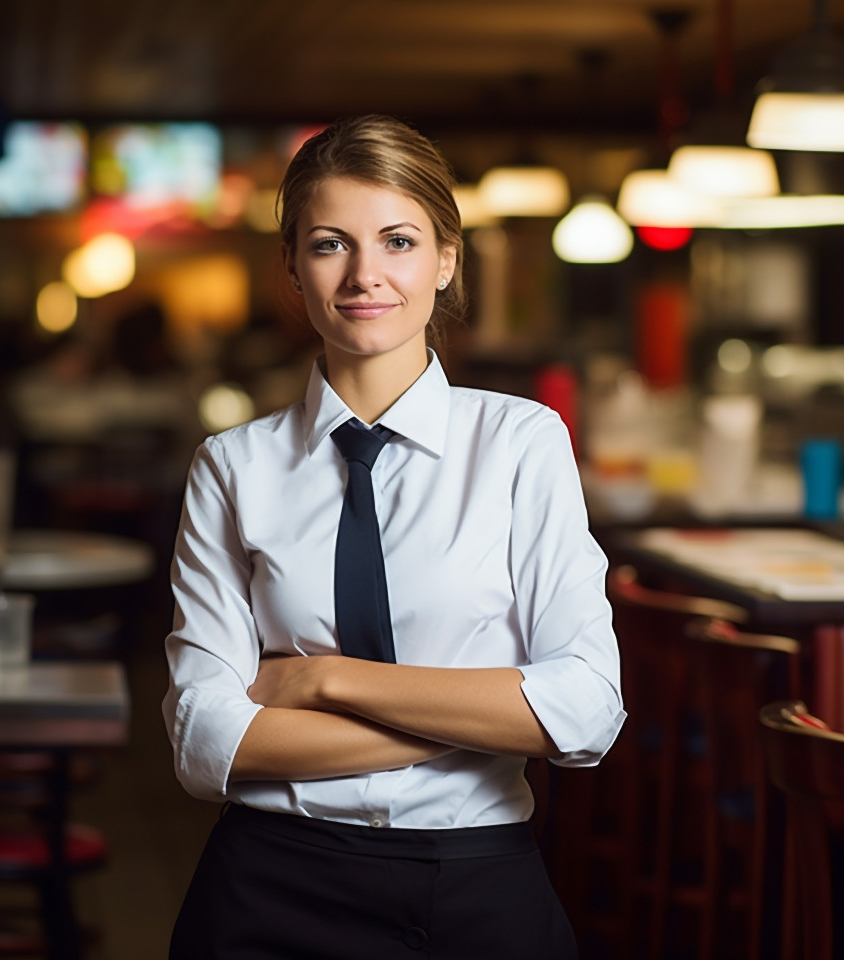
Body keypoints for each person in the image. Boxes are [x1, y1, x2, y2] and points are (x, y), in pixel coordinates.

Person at [163, 115, 625, 959]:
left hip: (475, 876)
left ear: (447, 259)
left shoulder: (522, 443)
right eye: (331, 244)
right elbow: (205, 744)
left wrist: (325, 680)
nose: (365, 275)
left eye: (399, 240)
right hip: (269, 884)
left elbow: (587, 713)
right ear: (294, 269)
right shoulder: (231, 466)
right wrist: (491, 716)